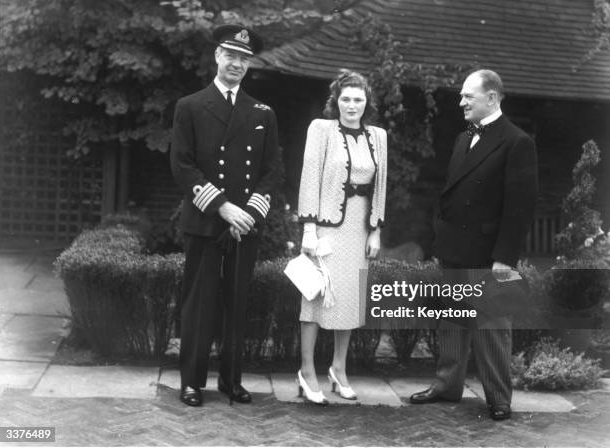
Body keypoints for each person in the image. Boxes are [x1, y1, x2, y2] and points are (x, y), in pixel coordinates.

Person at [409, 69, 538, 421]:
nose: (461, 101)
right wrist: (440, 239)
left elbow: (519, 207)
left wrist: (504, 259)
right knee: (452, 322)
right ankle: (447, 386)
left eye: (469, 96)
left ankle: (498, 397)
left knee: (492, 326)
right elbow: (452, 193)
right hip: (453, 250)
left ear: (492, 98)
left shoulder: (517, 142)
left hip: (488, 254)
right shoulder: (463, 138)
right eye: (462, 96)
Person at [170, 24, 279, 407]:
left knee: (237, 302)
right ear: (217, 56)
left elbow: (271, 172)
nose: (236, 63)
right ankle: (191, 382)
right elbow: (182, 165)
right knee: (199, 303)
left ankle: (231, 380)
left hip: (243, 225)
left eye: (244, 59)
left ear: (249, 65)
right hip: (205, 221)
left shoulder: (262, 112)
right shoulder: (191, 105)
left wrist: (248, 213)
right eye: (230, 55)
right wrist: (223, 207)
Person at [296, 70, 387, 404]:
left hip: (358, 231)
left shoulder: (378, 136)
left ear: (367, 103)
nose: (352, 105)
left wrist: (375, 229)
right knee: (316, 297)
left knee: (350, 299)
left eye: (358, 99)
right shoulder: (321, 130)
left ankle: (338, 368)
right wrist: (308, 228)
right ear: (336, 101)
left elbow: (381, 185)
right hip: (326, 228)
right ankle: (307, 371)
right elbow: (310, 178)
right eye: (346, 99)